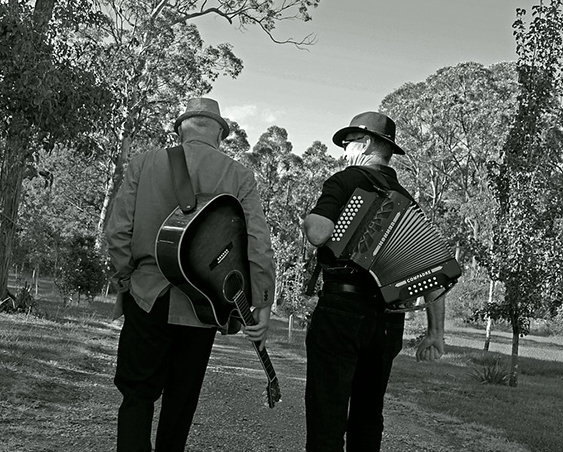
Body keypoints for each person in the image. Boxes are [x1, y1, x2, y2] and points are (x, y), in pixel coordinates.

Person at [106, 97, 276, 452]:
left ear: (181, 128)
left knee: (137, 396)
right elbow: (258, 245)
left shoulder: (143, 163)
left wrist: (126, 279)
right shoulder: (239, 175)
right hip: (204, 304)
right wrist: (259, 303)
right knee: (180, 403)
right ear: (219, 134)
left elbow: (118, 232)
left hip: (147, 295)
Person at [303, 111, 445, 452]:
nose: (345, 151)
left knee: (327, 412)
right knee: (369, 415)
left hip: (342, 310)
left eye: (349, 142)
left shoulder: (345, 180)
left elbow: (319, 233)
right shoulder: (406, 199)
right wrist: (435, 333)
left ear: (366, 143)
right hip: (387, 322)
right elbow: (434, 273)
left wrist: (308, 218)